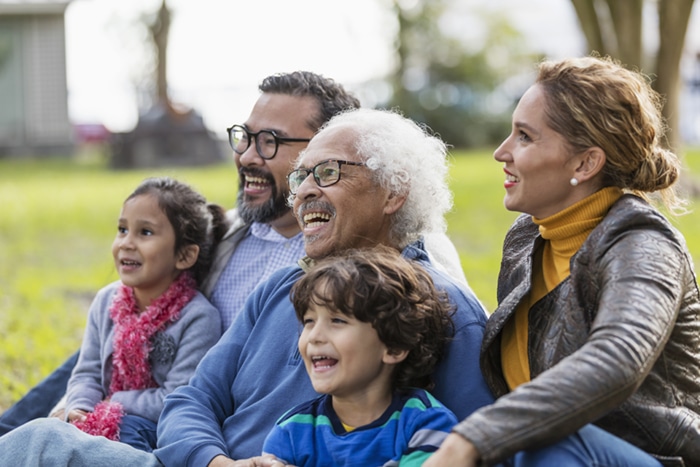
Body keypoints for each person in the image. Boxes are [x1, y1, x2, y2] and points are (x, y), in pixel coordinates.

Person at [0, 107, 493, 466]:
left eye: (327, 173)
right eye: (300, 177)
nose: (303, 191)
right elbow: (190, 401)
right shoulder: (282, 286)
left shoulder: (443, 305)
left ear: (394, 190)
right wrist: (215, 464)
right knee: (39, 442)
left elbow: (473, 449)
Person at [424, 55, 700, 467]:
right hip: (540, 456)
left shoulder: (642, 245)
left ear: (585, 163)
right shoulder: (527, 238)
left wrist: (474, 438)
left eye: (525, 137)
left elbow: (618, 358)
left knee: (552, 442)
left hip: (653, 458)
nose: (502, 152)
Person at [57, 176, 226, 451]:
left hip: (159, 430)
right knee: (56, 433)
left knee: (123, 434)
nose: (127, 242)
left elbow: (178, 397)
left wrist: (114, 404)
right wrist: (79, 408)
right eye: (122, 229)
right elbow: (86, 373)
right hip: (101, 417)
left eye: (145, 233)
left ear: (184, 256)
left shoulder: (197, 317)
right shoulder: (106, 302)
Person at [262, 246, 458, 466]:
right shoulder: (291, 431)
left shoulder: (426, 424)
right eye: (309, 322)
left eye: (337, 320)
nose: (314, 336)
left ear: (393, 347)